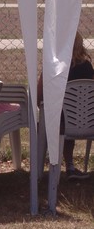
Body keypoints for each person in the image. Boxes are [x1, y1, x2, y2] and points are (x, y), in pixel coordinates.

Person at [36, 30, 92, 180]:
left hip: (60, 122)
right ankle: (70, 166)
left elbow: (38, 97)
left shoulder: (53, 67)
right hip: (87, 122)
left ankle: (45, 164)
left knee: (56, 116)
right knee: (71, 112)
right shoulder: (88, 67)